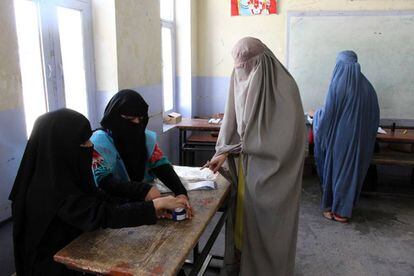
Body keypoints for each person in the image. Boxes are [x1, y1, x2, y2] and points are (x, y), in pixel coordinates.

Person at [8, 109, 187, 275]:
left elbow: (99, 199)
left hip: (79, 251)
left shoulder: (64, 174)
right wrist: (151, 207)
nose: (90, 145)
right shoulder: (47, 190)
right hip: (52, 267)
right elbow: (100, 214)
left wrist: (149, 206)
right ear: (63, 146)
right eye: (84, 142)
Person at [205, 37, 306, 276]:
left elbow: (285, 142)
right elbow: (234, 123)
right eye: (240, 69)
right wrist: (224, 151)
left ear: (263, 63)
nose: (244, 75)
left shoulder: (286, 89)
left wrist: (242, 148)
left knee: (271, 228)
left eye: (249, 67)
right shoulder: (239, 78)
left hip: (275, 177)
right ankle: (244, 266)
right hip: (245, 171)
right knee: (244, 224)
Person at [91, 90, 192, 216]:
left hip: (138, 199)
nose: (136, 124)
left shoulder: (144, 138)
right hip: (110, 207)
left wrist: (180, 193)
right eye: (130, 119)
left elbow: (161, 165)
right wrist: (144, 190)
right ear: (114, 116)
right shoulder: (98, 142)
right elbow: (104, 182)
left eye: (141, 118)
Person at [311, 50, 379, 223]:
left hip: (340, 141)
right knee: (351, 173)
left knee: (337, 172)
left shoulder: (338, 84)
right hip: (360, 142)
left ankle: (332, 207)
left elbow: (327, 116)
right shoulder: (368, 87)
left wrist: (316, 115)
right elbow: (374, 116)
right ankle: (343, 211)